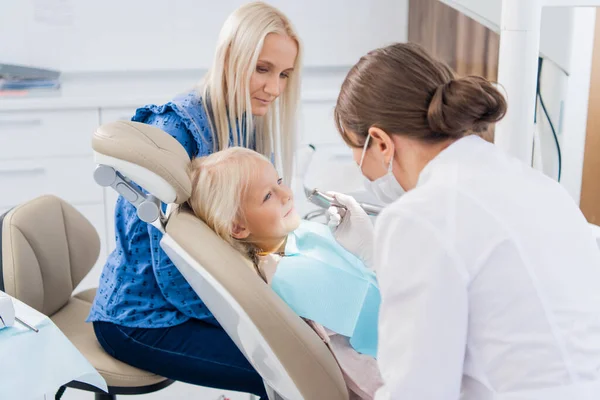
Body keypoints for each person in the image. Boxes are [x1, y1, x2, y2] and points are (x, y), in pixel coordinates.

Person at [327, 42, 600, 400]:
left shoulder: (420, 215)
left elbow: (419, 392)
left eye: (354, 150)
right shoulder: (537, 185)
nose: (359, 167)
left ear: (380, 143)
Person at [87, 2, 302, 397]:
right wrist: (254, 316)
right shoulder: (175, 131)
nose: (275, 88)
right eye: (263, 68)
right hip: (141, 317)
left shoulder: (243, 123)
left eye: (285, 74)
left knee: (303, 351)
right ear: (231, 57)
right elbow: (169, 269)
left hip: (186, 304)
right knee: (291, 374)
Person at [186, 147, 384, 399]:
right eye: (268, 195)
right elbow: (357, 361)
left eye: (279, 181)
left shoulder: (296, 238)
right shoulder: (293, 278)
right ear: (238, 226)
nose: (286, 194)